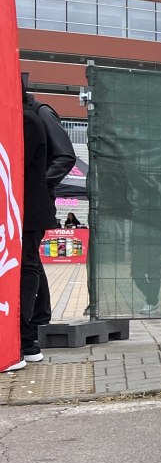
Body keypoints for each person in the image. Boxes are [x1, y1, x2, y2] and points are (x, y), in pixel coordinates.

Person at [21, 79, 76, 338]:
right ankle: (39, 314)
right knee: (29, 259)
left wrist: (38, 184)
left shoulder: (41, 112)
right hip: (30, 196)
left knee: (28, 258)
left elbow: (66, 155)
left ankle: (36, 318)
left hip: (37, 197)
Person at [19, 96, 57, 365]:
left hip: (30, 208)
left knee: (28, 265)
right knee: (29, 266)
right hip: (24, 207)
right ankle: (31, 328)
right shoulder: (27, 118)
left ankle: (27, 335)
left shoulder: (30, 119)